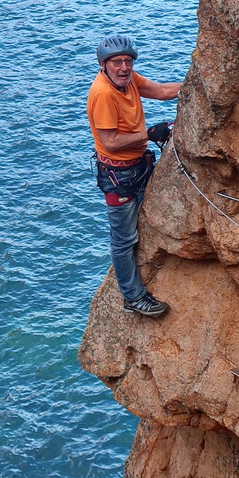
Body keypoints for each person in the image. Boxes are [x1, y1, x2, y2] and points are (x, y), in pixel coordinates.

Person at [86, 34, 182, 318]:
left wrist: (196, 86)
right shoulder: (103, 93)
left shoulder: (129, 81)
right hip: (118, 174)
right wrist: (150, 133)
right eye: (117, 62)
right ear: (104, 65)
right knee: (124, 239)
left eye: (128, 61)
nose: (124, 67)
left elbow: (164, 91)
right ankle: (132, 297)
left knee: (147, 219)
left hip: (139, 165)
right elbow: (112, 141)